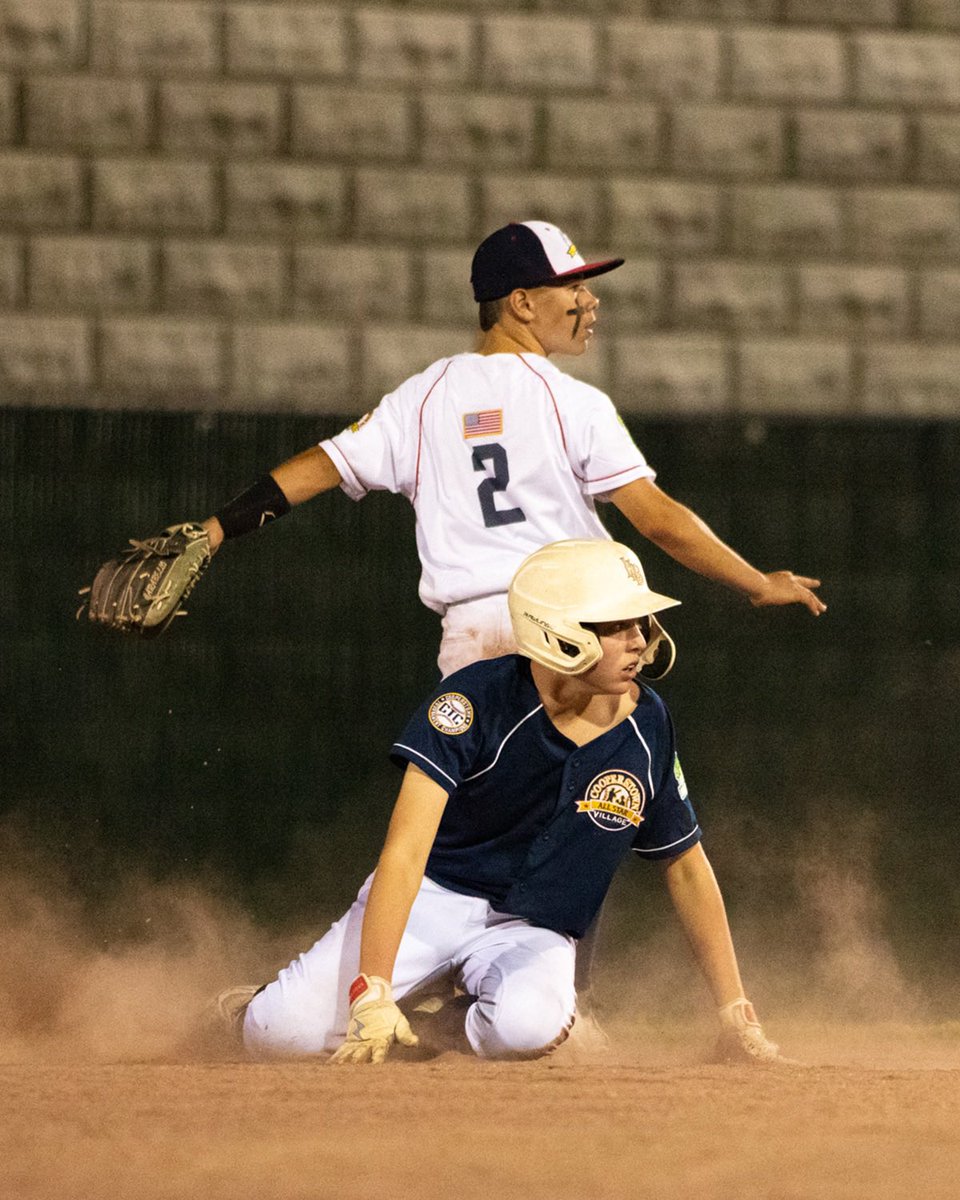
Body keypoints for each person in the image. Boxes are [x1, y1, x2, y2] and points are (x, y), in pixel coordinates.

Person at [222, 539, 785, 1066]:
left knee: (525, 1028)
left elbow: (685, 865)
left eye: (640, 621)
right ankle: (245, 1011)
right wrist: (372, 990)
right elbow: (404, 855)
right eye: (614, 624)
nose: (639, 638)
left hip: (532, 928)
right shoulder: (473, 701)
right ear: (556, 631)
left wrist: (734, 1011)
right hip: (433, 899)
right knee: (281, 1036)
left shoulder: (648, 722)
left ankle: (434, 1030)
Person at [202, 219, 825, 682]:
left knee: (470, 825)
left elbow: (321, 467)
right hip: (569, 633)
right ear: (521, 303)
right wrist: (755, 582)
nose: (589, 299)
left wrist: (213, 531)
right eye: (571, 284)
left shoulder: (423, 396)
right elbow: (659, 522)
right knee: (611, 805)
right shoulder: (570, 401)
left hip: (470, 642)